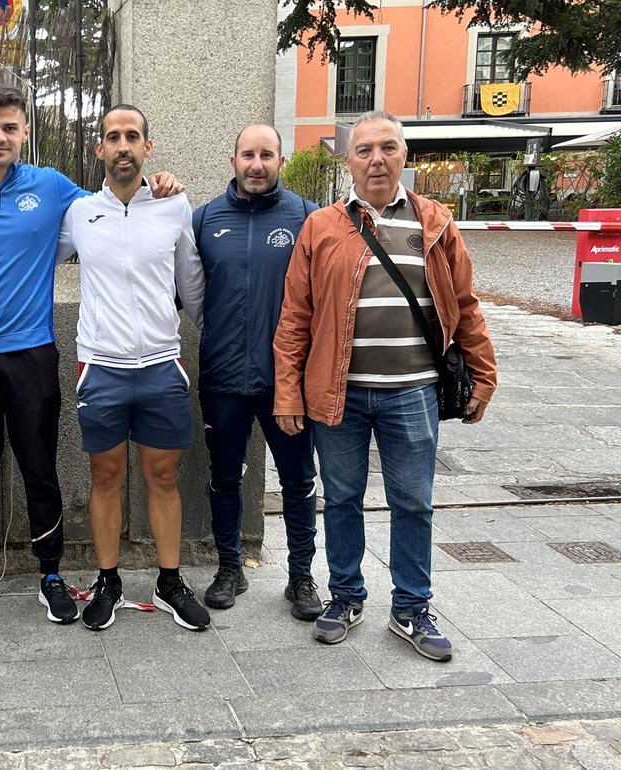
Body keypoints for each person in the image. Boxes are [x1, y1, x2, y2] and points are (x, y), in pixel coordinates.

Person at [0, 84, 181, 625]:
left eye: (9, 128)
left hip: (33, 353)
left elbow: (114, 202)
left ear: (24, 134)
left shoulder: (53, 189)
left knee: (40, 467)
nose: (0, 136)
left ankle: (50, 573)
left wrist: (161, 185)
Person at [273, 111, 497, 662]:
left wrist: (484, 374)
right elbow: (295, 317)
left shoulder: (436, 223)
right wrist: (287, 391)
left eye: (388, 148)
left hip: (413, 391)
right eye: (365, 150)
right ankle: (346, 596)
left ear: (404, 156)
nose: (377, 159)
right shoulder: (321, 227)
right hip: (338, 392)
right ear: (348, 162)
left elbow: (465, 306)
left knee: (413, 502)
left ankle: (411, 608)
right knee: (343, 498)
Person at [56, 105, 209, 632]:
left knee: (162, 476)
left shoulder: (174, 205)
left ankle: (170, 582)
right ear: (99, 149)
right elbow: (32, 258)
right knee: (106, 475)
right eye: (112, 137)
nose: (123, 146)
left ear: (147, 146)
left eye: (133, 137)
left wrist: (212, 334)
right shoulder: (79, 213)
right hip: (101, 368)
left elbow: (190, 282)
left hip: (161, 367)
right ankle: (108, 581)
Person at [193, 124, 322, 620]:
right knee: (225, 477)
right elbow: (185, 285)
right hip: (222, 377)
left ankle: (301, 576)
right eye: (248, 154)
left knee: (297, 479)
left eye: (266, 155)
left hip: (286, 381)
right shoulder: (204, 219)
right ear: (233, 161)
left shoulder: (307, 217)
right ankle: (230, 567)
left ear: (280, 161)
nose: (256, 164)